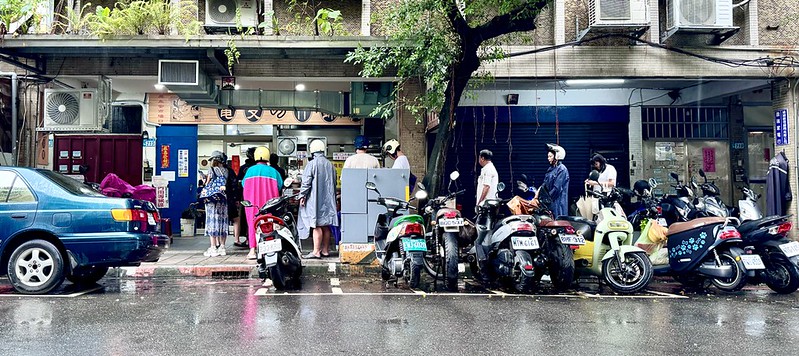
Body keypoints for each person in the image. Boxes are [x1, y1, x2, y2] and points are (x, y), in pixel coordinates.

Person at [298, 140, 339, 259]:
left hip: (315, 200)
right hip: (328, 199)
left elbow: (306, 183)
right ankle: (325, 250)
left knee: (316, 225)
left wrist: (302, 195)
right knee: (326, 225)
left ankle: (316, 251)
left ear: (312, 151)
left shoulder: (312, 164)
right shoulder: (330, 164)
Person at [242, 147, 283, 259]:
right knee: (269, 224)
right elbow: (280, 185)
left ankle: (252, 251)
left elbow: (244, 185)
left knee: (252, 224)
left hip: (252, 204)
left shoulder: (250, 171)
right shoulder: (273, 172)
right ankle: (270, 249)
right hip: (269, 204)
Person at [473, 149, 499, 283]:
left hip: (486, 207)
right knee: (486, 235)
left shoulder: (487, 170)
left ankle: (484, 268)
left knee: (479, 237)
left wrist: (479, 202)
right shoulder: (491, 168)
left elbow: (486, 186)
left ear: (482, 158)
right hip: (489, 206)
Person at [200, 151, 229, 257]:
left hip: (212, 200)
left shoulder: (211, 170)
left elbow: (207, 184)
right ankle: (222, 247)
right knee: (222, 222)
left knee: (212, 221)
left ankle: (213, 247)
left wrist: (204, 179)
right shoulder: (226, 171)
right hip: (222, 199)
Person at [536, 143, 570, 218]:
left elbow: (557, 189)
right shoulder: (551, 169)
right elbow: (544, 184)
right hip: (550, 203)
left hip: (558, 203)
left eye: (550, 156)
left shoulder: (562, 169)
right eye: (548, 156)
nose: (548, 158)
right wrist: (538, 193)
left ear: (557, 156)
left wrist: (547, 200)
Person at [233, 147, 257, 248]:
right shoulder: (257, 167)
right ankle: (254, 238)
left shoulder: (243, 168)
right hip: (257, 195)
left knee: (245, 217)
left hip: (245, 196)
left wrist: (238, 198)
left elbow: (239, 184)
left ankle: (248, 239)